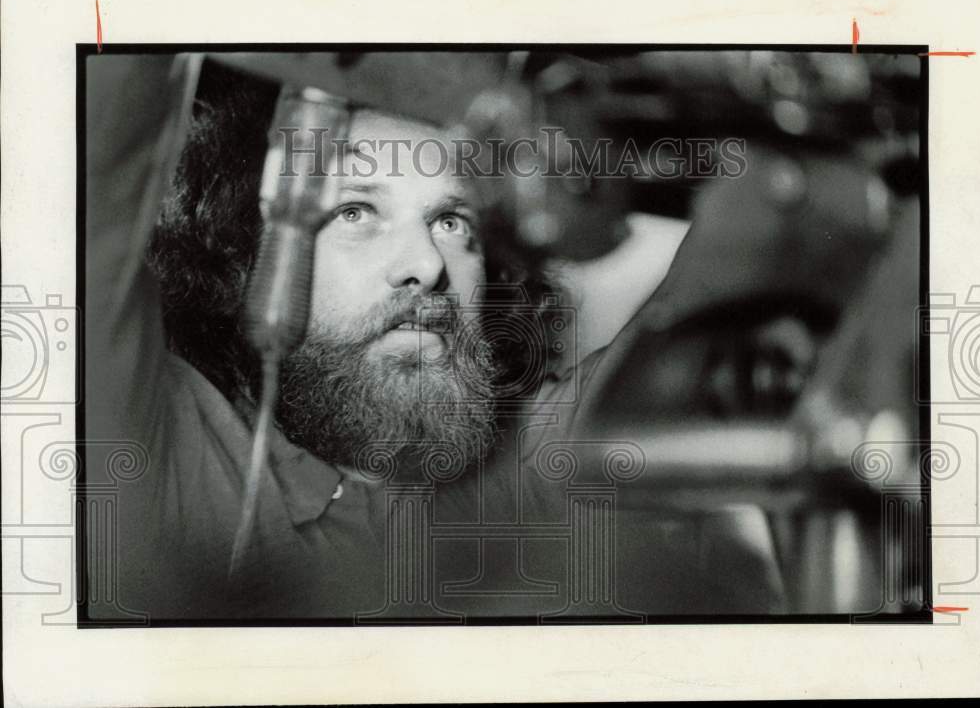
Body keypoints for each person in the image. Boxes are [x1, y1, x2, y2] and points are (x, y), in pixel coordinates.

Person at [86, 55, 786, 622]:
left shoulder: (526, 465)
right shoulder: (157, 442)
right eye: (357, 211)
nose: (426, 265)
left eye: (454, 224)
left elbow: (752, 264)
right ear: (253, 254)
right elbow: (106, 126)